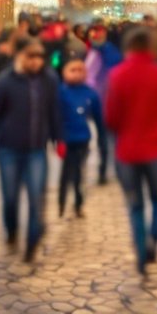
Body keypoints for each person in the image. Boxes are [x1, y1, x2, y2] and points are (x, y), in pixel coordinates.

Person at [104, 27, 157, 275]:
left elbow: (111, 118)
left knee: (136, 205)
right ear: (151, 48)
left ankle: (141, 252)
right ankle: (154, 237)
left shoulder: (117, 75)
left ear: (127, 48)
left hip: (127, 153)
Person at [0, 37, 62, 263]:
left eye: (39, 57)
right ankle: (12, 230)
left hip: (36, 149)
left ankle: (32, 242)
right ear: (20, 56)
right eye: (31, 56)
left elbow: (54, 110)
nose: (36, 62)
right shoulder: (6, 81)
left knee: (37, 197)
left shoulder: (49, 80)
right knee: (10, 197)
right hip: (9, 149)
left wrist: (58, 138)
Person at [57, 57, 106, 218]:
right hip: (65, 139)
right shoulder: (60, 92)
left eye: (80, 70)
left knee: (78, 172)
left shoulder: (90, 93)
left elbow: (99, 119)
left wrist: (101, 140)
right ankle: (61, 202)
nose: (77, 74)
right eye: (73, 70)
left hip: (82, 139)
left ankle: (78, 202)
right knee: (66, 172)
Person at [85, 25, 122, 183]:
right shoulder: (96, 52)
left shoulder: (103, 53)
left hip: (105, 101)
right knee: (107, 138)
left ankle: (106, 169)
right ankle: (107, 169)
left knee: (106, 138)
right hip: (102, 101)